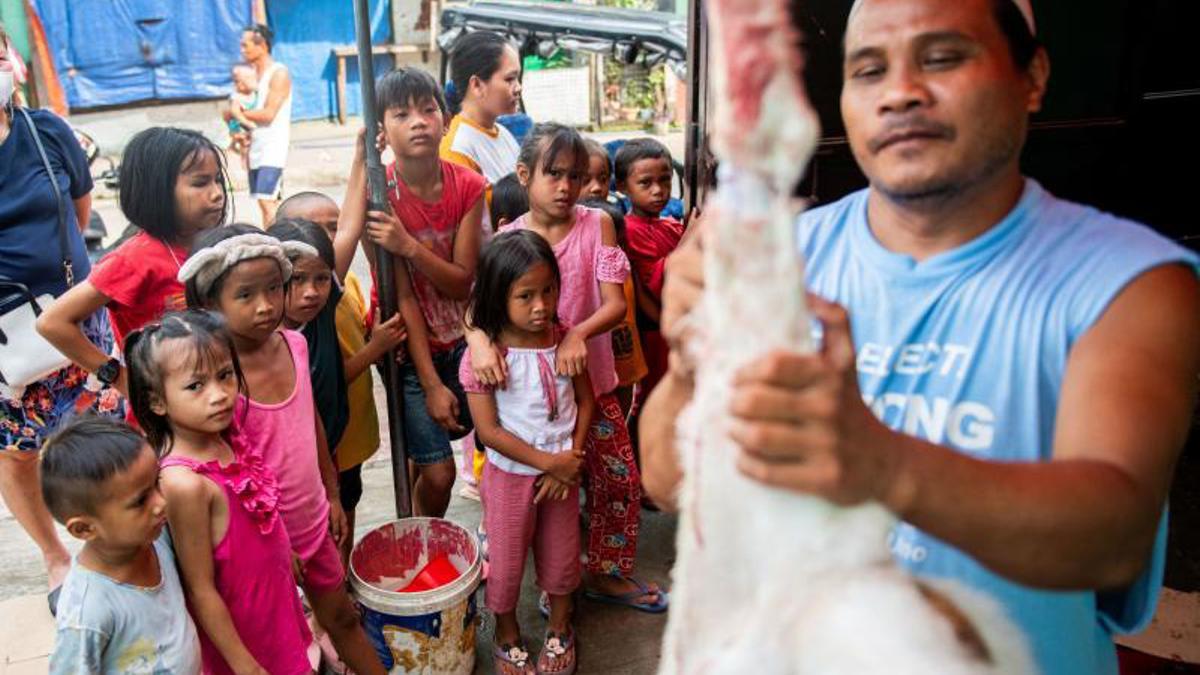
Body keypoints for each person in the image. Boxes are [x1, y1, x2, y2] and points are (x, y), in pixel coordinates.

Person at [640, 0, 1200, 672]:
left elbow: (1112, 536)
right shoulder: (783, 258)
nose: (900, 92)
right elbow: (670, 483)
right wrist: (695, 360)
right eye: (869, 70)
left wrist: (881, 462)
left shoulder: (1130, 282)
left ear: (1033, 76)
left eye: (941, 57)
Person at [474, 122, 668, 611]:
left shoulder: (597, 225)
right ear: (524, 175)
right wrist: (477, 340)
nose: (566, 187)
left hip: (592, 385)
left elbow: (615, 305)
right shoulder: (508, 238)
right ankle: (556, 583)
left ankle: (605, 573)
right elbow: (478, 310)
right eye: (554, 174)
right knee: (545, 493)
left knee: (619, 479)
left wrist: (575, 334)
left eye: (576, 176)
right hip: (530, 401)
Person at [181, 225, 387, 674]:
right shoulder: (216, 381)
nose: (266, 305)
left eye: (275, 288)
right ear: (210, 303)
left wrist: (332, 492)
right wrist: (271, 539)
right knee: (281, 641)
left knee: (342, 617)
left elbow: (309, 424)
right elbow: (225, 469)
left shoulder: (294, 343)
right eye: (246, 295)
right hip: (260, 540)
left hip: (312, 520)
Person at [0, 21, 122, 614]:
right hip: (3, 344)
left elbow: (78, 208)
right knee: (16, 452)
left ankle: (117, 552)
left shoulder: (45, 131)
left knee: (103, 442)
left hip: (75, 320)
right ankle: (55, 556)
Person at [125, 310, 312, 674]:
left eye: (225, 376)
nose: (220, 395)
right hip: (243, 635)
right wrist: (244, 664)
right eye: (196, 386)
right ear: (157, 402)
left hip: (274, 608)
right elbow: (200, 589)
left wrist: (282, 548)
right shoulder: (184, 483)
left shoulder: (227, 437)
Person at [348, 67, 485, 518]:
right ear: (383, 130)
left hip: (465, 338)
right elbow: (402, 297)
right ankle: (425, 547)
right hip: (406, 347)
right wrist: (429, 384)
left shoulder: (467, 185)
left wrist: (407, 245)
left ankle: (416, 536)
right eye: (402, 114)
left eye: (428, 109)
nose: (419, 121)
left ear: (444, 118)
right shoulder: (377, 195)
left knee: (436, 451)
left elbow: (462, 280)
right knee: (439, 473)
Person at [460, 230, 592, 675]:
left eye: (549, 291)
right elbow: (489, 432)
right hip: (511, 476)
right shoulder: (486, 357)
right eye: (526, 296)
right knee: (508, 559)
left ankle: (560, 628)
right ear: (500, 296)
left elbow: (586, 401)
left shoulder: (565, 340)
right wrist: (549, 463)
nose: (541, 306)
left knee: (561, 553)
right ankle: (507, 632)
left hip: (563, 475)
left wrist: (568, 461)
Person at [276, 191, 406, 562]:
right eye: (298, 278)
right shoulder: (272, 338)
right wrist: (372, 350)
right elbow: (324, 385)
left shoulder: (331, 294)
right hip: (297, 463)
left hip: (336, 445)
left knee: (341, 515)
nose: (311, 290)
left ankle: (338, 585)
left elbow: (350, 227)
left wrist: (361, 155)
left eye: (320, 277)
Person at [39, 126, 230, 377]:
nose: (217, 194)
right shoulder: (135, 259)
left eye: (218, 180)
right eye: (200, 183)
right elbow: (52, 323)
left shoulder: (214, 244)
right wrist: (118, 378)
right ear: (156, 190)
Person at [42, 416, 201, 674]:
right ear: (84, 529)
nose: (160, 503)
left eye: (156, 483)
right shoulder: (88, 612)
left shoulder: (156, 538)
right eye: (140, 501)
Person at [613, 138, 685, 397]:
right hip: (655, 333)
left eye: (665, 180)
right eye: (646, 183)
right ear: (622, 186)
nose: (658, 190)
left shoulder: (669, 224)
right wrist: (692, 239)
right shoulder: (629, 230)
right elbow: (657, 280)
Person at [441, 30, 523, 234]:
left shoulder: (503, 133)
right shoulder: (457, 149)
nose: (518, 87)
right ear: (477, 85)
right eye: (510, 79)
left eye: (517, 78)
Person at [581, 199, 648, 420]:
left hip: (626, 355)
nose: (616, 253)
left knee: (621, 415)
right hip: (600, 362)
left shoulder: (625, 270)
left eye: (620, 244)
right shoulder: (588, 276)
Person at [236, 24, 293, 226]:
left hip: (272, 147)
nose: (242, 50)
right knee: (267, 203)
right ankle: (280, 244)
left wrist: (236, 113)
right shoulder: (249, 75)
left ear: (262, 46)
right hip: (255, 147)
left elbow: (268, 114)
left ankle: (275, 249)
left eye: (246, 45)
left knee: (267, 201)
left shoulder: (278, 73)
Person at [224, 64, 258, 171]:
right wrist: (246, 123)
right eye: (237, 81)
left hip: (252, 124)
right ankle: (245, 165)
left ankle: (234, 147)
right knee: (245, 144)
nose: (240, 84)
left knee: (253, 144)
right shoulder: (237, 97)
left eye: (246, 79)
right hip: (239, 125)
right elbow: (235, 112)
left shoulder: (256, 94)